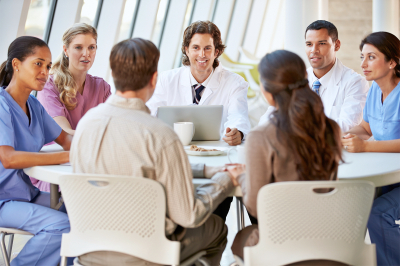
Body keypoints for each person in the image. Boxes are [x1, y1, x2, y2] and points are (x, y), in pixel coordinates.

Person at [70, 38, 234, 266]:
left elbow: (134, 165)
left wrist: (205, 170)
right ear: (154, 79)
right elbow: (188, 215)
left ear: (114, 74)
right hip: (149, 254)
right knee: (217, 228)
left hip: (90, 250)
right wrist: (224, 180)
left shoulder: (86, 126)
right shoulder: (161, 135)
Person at [227, 50, 343, 264]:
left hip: (280, 243)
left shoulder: (261, 137)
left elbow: (253, 205)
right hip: (328, 238)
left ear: (267, 91)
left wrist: (242, 176)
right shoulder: (330, 128)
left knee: (241, 238)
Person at [0, 36, 74, 266]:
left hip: (25, 195)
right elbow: (8, 158)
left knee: (83, 214)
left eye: (49, 66)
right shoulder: (1, 105)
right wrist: (66, 156)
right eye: (38, 63)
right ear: (16, 64)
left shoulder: (34, 105)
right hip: (3, 201)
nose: (45, 71)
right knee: (62, 226)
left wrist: (103, 141)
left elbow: (67, 140)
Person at [342, 32, 400, 266]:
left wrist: (365, 147)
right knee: (350, 205)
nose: (363, 64)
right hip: (389, 176)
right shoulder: (375, 89)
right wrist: (340, 135)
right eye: (362, 57)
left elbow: (367, 140)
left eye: (371, 57)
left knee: (377, 213)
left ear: (392, 62)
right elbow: (366, 126)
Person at [31, 23, 111, 192]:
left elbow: (114, 127)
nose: (86, 54)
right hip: (58, 168)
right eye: (78, 47)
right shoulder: (49, 86)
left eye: (91, 47)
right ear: (66, 50)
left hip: (91, 164)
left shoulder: (102, 87)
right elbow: (64, 132)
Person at [146, 20, 251, 146]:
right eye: (196, 48)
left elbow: (238, 116)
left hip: (217, 150)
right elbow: (149, 116)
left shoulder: (235, 83)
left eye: (207, 48)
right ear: (187, 50)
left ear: (216, 52)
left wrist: (237, 132)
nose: (202, 54)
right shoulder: (166, 80)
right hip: (174, 148)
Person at [259, 20, 369, 133]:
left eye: (321, 43)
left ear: (337, 45)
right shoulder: (296, 78)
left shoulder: (355, 82)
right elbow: (268, 117)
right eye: (309, 44)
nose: (314, 50)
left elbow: (347, 125)